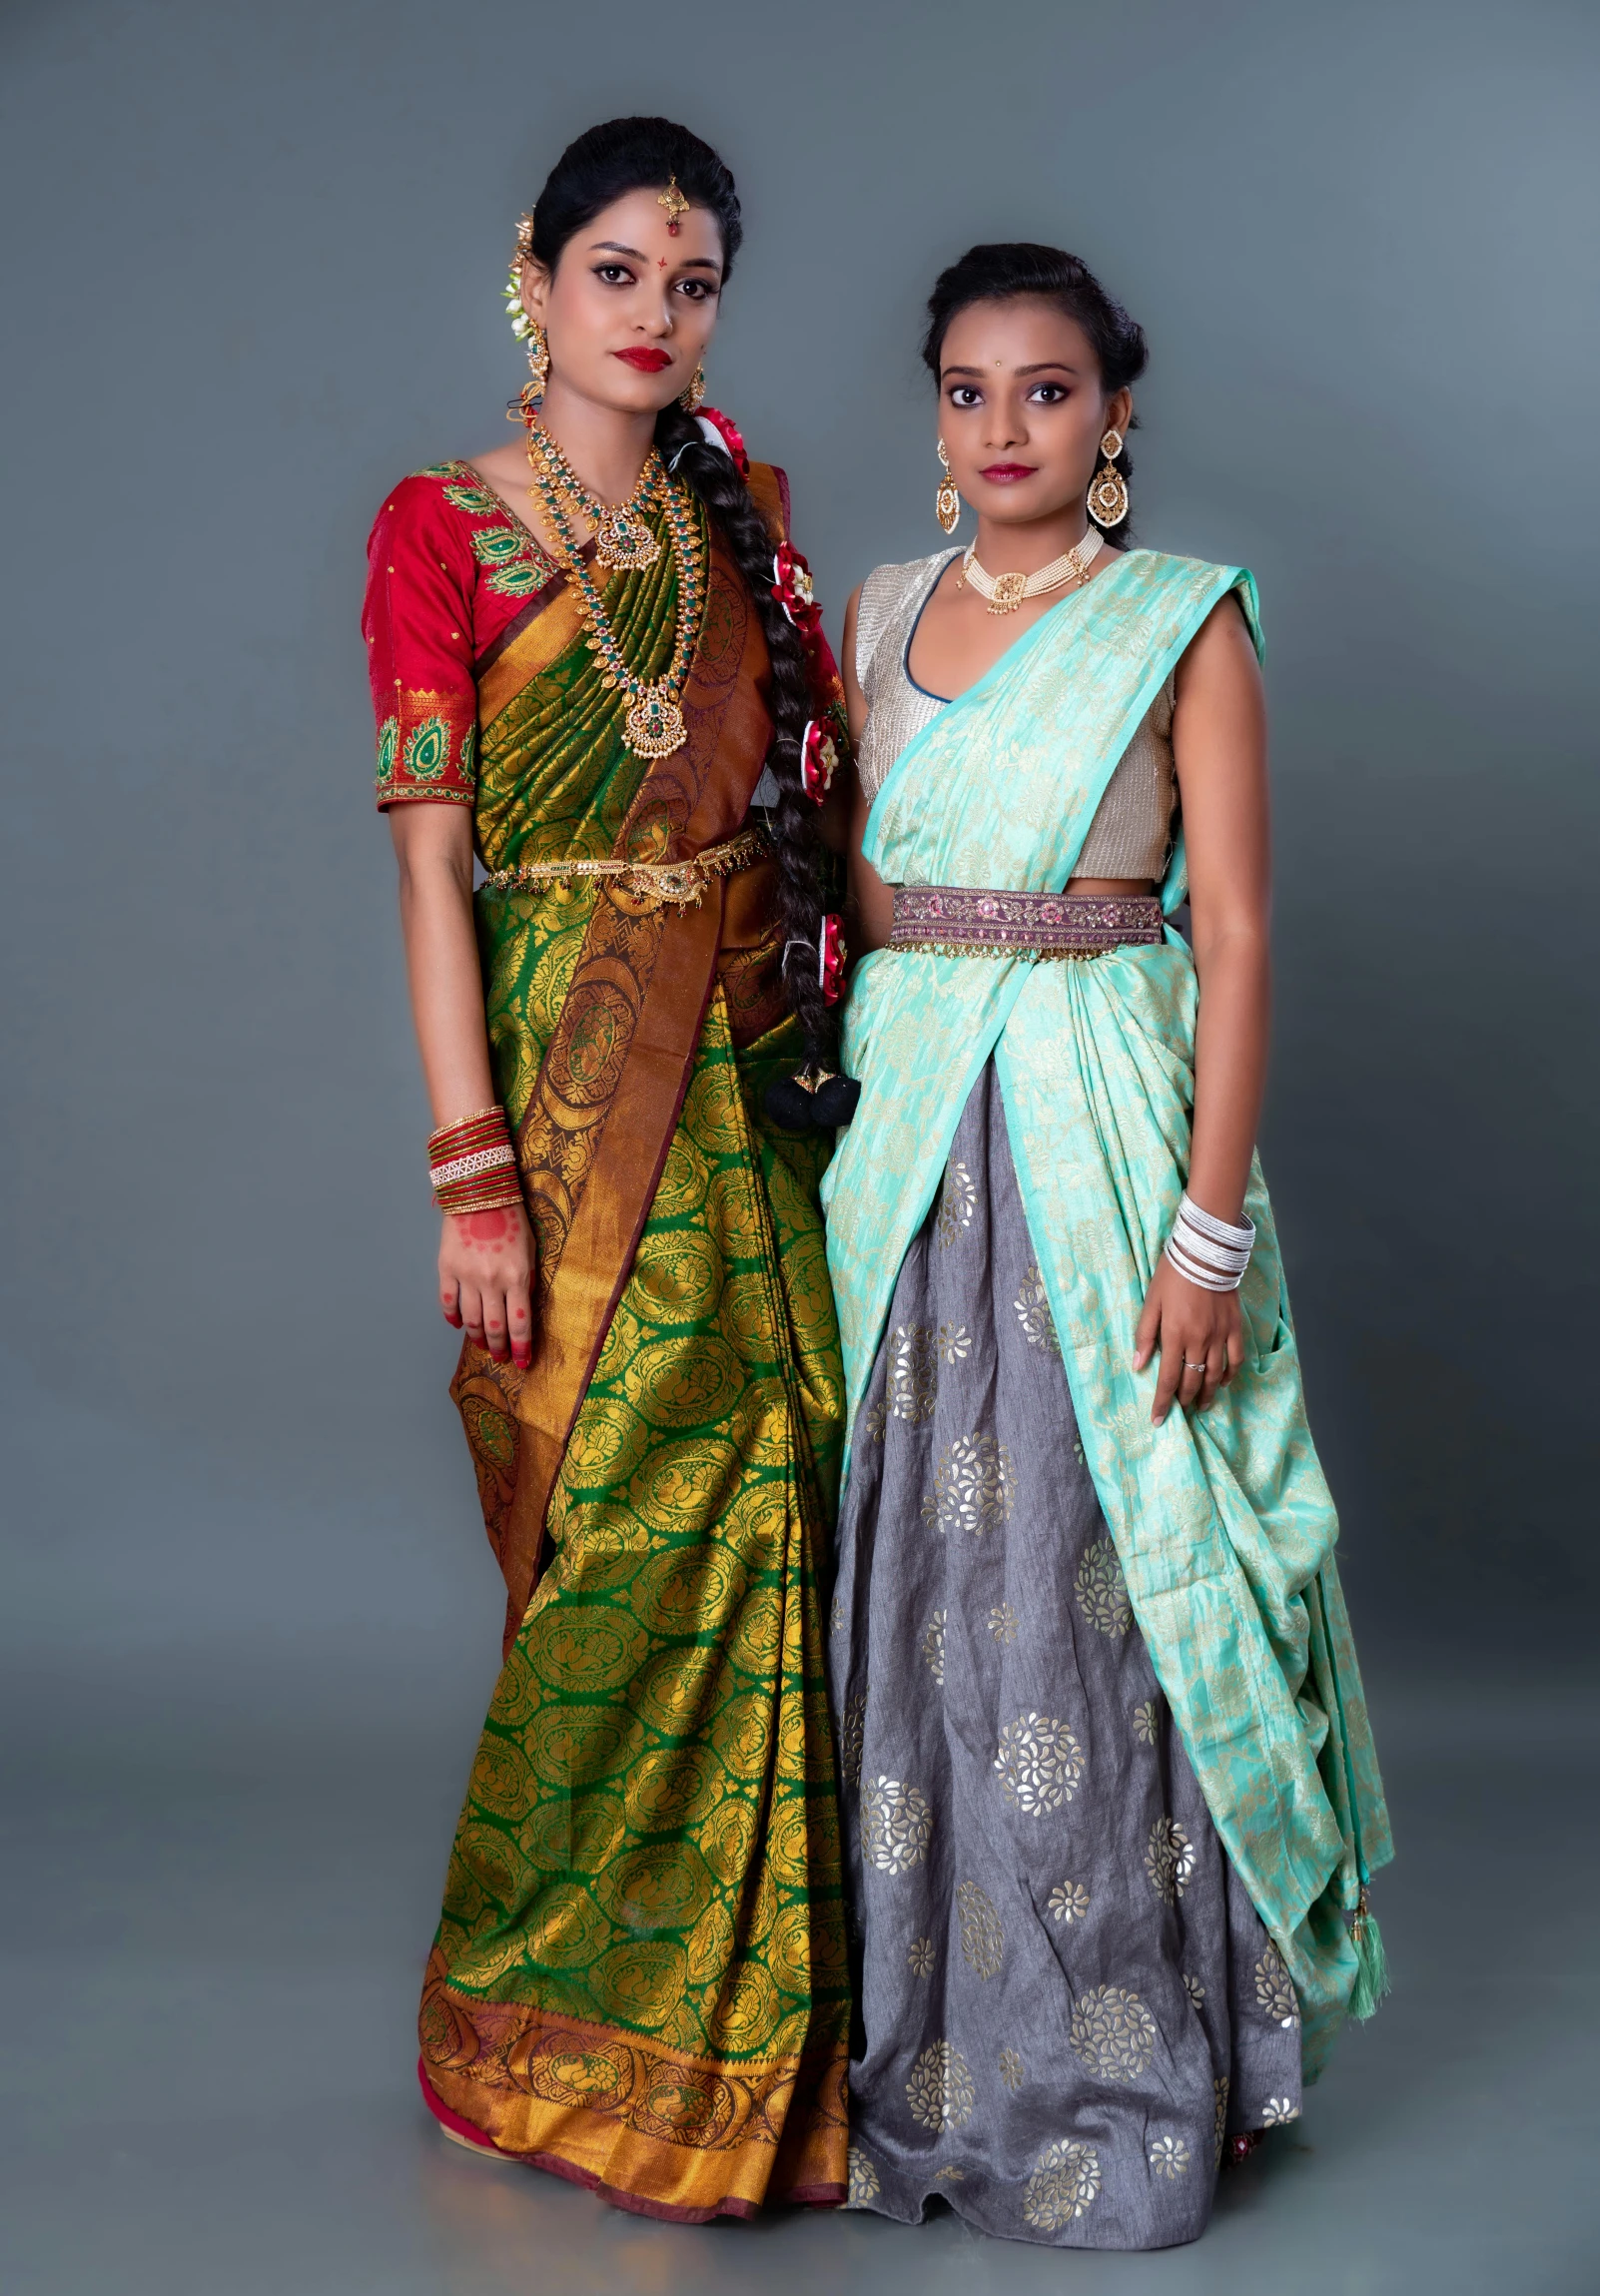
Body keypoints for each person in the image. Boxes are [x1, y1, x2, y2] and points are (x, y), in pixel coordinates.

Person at [821, 242, 1391, 2249]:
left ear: (1116, 416)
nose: (1002, 431)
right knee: (913, 1581)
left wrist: (1209, 1241)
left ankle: (1135, 2055)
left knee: (1095, 1578)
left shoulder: (1177, 623)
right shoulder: (881, 612)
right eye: (968, 392)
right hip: (904, 1144)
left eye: (1045, 392)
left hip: (1097, 1133)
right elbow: (849, 889)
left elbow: (1229, 935)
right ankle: (924, 2051)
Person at [362, 116, 856, 2223]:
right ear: (536, 279)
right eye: (621, 273)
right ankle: (548, 2004)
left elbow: (821, 820)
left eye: (695, 281)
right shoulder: (439, 529)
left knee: (779, 1500)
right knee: (612, 1555)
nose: (658, 316)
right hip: (568, 1104)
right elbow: (429, 873)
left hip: (748, 1092)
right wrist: (473, 1171)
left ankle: (757, 2045)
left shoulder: (749, 519)